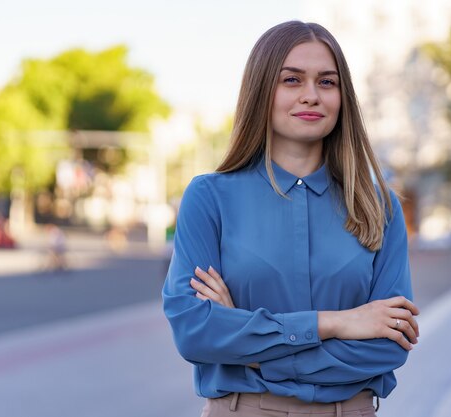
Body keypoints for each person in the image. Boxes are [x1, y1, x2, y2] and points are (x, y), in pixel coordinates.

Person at [163, 20, 420, 417]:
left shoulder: (378, 207)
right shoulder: (210, 198)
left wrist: (248, 350)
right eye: (292, 80)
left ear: (342, 97)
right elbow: (195, 332)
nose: (311, 96)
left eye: (327, 82)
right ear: (262, 90)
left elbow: (388, 344)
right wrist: (335, 323)